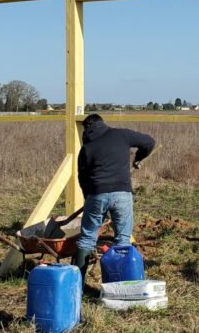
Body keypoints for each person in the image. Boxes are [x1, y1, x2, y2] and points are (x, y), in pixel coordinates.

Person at [74, 114, 155, 284]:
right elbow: (149, 142)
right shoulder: (121, 135)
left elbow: (82, 178)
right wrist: (138, 157)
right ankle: (121, 285)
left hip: (96, 193)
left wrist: (89, 199)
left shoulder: (86, 148)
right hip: (122, 194)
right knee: (122, 239)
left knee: (87, 239)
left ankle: (77, 286)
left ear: (87, 128)